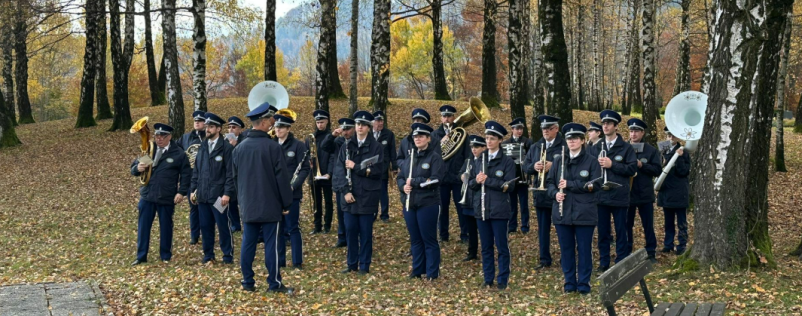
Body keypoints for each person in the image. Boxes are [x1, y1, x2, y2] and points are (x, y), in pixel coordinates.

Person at [233, 102, 294, 293]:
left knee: (248, 243)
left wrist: (242, 200)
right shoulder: (273, 147)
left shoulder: (239, 149)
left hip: (248, 204)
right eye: (271, 120)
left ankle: (247, 282)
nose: (273, 123)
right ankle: (274, 283)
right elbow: (282, 179)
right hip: (270, 205)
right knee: (271, 245)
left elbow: (234, 179)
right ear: (264, 122)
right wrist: (286, 203)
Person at [547, 123, 602, 295]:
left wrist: (570, 184)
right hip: (562, 212)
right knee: (566, 249)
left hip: (584, 213)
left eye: (576, 138)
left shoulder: (592, 161)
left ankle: (584, 283)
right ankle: (569, 282)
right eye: (569, 138)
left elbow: (596, 184)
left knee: (584, 250)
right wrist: (555, 193)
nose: (572, 141)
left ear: (583, 140)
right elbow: (549, 182)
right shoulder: (559, 161)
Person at [130, 123, 191, 266]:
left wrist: (181, 192)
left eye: (163, 136)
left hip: (166, 196)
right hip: (148, 195)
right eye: (157, 136)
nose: (159, 139)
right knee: (143, 227)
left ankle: (165, 255)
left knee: (166, 227)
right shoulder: (149, 150)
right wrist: (137, 168)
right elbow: (134, 169)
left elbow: (186, 175)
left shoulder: (178, 153)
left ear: (169, 137)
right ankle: (141, 256)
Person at [333, 111, 385, 275]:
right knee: (350, 231)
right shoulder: (346, 146)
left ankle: (364, 265)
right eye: (357, 124)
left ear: (368, 127)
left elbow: (377, 171)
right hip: (349, 196)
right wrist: (345, 191)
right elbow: (339, 171)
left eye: (363, 125)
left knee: (365, 233)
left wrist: (356, 167)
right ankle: (352, 264)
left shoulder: (376, 147)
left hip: (368, 196)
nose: (360, 127)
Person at [468, 121, 516, 290]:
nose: (488, 141)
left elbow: (509, 185)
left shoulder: (507, 162)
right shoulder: (479, 160)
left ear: (500, 140)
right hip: (481, 209)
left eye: (492, 138)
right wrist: (476, 180)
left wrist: (488, 181)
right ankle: (488, 278)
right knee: (486, 247)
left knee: (501, 246)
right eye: (487, 138)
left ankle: (502, 279)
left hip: (499, 209)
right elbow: (471, 184)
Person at [397, 123, 443, 280]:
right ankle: (417, 270)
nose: (417, 139)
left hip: (428, 203)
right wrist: (403, 186)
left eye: (421, 136)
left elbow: (436, 179)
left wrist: (414, 181)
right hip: (410, 202)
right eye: (415, 137)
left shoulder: (434, 158)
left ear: (428, 139)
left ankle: (432, 272)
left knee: (428, 239)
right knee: (415, 239)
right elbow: (401, 177)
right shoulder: (409, 158)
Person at [594, 110, 637, 272]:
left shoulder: (626, 148)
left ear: (616, 126)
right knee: (603, 232)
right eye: (603, 124)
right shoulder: (596, 147)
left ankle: (621, 261)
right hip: (601, 196)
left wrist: (613, 165)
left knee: (621, 230)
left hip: (619, 195)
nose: (605, 126)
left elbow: (632, 169)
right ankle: (604, 261)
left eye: (609, 124)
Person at [190, 112, 236, 264]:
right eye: (207, 126)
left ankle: (227, 255)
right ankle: (208, 254)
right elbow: (196, 171)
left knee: (223, 226)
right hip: (203, 195)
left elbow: (230, 174)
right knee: (205, 226)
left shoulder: (226, 148)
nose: (207, 129)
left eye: (210, 127)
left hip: (219, 196)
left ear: (218, 129)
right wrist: (193, 189)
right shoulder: (203, 147)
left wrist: (227, 193)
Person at [522, 115, 564, 270]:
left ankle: (565, 258)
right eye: (543, 129)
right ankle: (544, 259)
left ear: (556, 129)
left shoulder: (564, 146)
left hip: (558, 194)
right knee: (543, 230)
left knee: (562, 229)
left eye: (549, 128)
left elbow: (571, 166)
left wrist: (554, 166)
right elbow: (525, 166)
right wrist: (534, 167)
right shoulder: (536, 146)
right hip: (540, 194)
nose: (545, 131)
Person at [273, 114, 310, 269]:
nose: (278, 130)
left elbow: (304, 169)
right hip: (275, 194)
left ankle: (297, 261)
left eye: (281, 127)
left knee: (293, 227)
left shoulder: (298, 146)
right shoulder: (271, 144)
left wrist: (293, 185)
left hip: (292, 193)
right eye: (276, 126)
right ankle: (280, 261)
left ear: (288, 128)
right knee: (278, 228)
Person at [431, 105, 471, 243]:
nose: (447, 118)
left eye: (449, 116)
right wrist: (440, 143)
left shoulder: (462, 134)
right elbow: (431, 155)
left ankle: (465, 234)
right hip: (442, 178)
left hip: (457, 176)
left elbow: (468, 155)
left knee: (462, 207)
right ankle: (443, 235)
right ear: (441, 118)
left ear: (454, 117)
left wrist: (464, 172)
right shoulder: (434, 135)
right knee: (442, 208)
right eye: (444, 116)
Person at [625, 118, 662, 263]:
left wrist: (642, 166)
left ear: (642, 133)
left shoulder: (651, 150)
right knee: (626, 225)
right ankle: (627, 251)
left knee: (648, 224)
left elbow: (657, 170)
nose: (633, 134)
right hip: (627, 194)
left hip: (645, 193)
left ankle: (651, 251)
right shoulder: (624, 148)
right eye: (631, 131)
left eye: (636, 131)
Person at [320, 118, 356, 248]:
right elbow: (324, 147)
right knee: (341, 211)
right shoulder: (338, 142)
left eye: (348, 129)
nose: (345, 132)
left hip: (355, 180)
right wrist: (332, 135)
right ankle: (342, 237)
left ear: (353, 129)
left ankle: (353, 236)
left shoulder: (357, 142)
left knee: (353, 211)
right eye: (343, 130)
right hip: (340, 180)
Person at [657, 126, 690, 256]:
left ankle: (682, 245)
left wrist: (679, 158)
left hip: (679, 191)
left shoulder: (683, 151)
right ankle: (668, 244)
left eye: (673, 136)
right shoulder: (662, 150)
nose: (671, 138)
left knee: (681, 221)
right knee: (668, 221)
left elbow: (684, 172)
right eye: (668, 135)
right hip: (666, 191)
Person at [502, 117, 534, 234]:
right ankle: (512, 226)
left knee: (524, 204)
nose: (519, 131)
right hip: (510, 178)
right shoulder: (505, 143)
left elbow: (531, 157)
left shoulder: (528, 142)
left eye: (521, 129)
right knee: (512, 204)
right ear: (512, 129)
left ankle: (525, 226)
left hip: (522, 177)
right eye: (517, 129)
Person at [457, 135, 485, 262]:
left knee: (483, 229)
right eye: (472, 147)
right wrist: (462, 176)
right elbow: (460, 173)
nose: (474, 149)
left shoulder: (485, 161)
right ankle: (472, 252)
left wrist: (472, 180)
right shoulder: (468, 161)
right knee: (471, 229)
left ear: (483, 148)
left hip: (479, 199)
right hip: (468, 199)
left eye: (477, 147)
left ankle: (485, 251)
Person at [180, 111, 206, 245]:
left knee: (207, 208)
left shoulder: (209, 137)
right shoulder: (185, 138)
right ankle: (194, 235)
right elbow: (175, 152)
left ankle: (207, 234)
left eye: (200, 121)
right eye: (195, 120)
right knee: (193, 207)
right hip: (191, 178)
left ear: (205, 123)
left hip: (207, 178)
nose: (197, 122)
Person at [308, 110, 336, 234]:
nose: (320, 125)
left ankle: (327, 225)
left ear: (327, 122)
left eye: (322, 122)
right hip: (314, 174)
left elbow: (332, 157)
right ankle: (317, 225)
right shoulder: (310, 138)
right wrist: (308, 163)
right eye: (318, 122)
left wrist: (329, 173)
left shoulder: (331, 137)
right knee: (316, 201)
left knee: (328, 201)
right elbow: (306, 154)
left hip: (326, 174)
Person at [372, 111, 398, 222]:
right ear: (372, 122)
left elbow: (392, 151)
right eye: (378, 121)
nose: (380, 123)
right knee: (372, 193)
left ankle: (384, 215)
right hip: (370, 168)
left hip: (383, 167)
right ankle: (372, 214)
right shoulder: (368, 133)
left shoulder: (389, 134)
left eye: (382, 120)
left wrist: (394, 166)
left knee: (383, 192)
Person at [226, 116, 246, 232]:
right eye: (229, 127)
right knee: (231, 201)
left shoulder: (245, 140)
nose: (231, 129)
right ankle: (235, 224)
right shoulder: (225, 141)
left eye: (234, 127)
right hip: (230, 175)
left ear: (240, 129)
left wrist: (235, 146)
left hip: (242, 175)